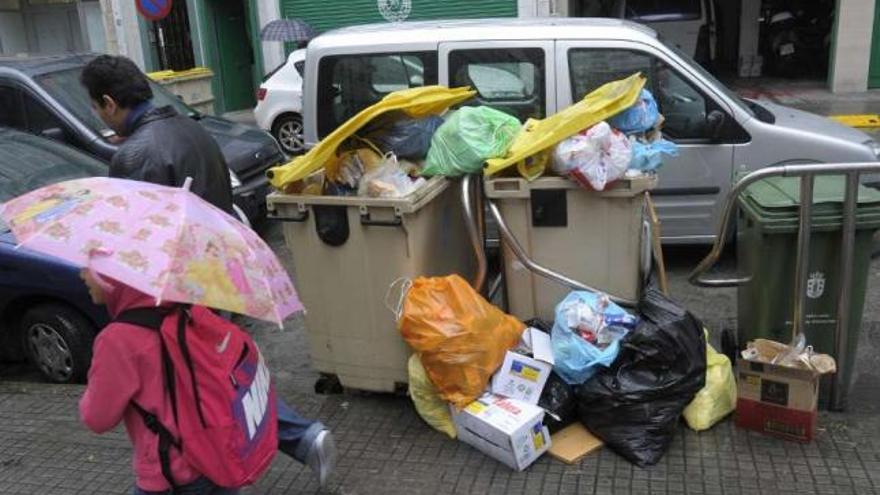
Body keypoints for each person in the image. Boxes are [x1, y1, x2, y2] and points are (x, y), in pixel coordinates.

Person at [78, 270, 337, 494]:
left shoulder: (117, 340)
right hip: (215, 453)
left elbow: (97, 419)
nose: (82, 275)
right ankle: (307, 437)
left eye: (89, 269)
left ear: (114, 278)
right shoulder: (185, 307)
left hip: (170, 475)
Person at [79, 55, 234, 215]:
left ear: (110, 104)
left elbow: (135, 226)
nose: (97, 114)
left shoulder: (131, 157)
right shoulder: (194, 127)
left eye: (95, 107)